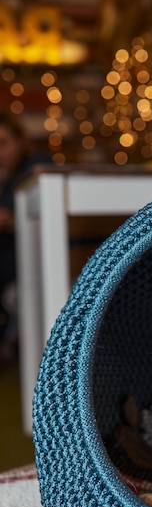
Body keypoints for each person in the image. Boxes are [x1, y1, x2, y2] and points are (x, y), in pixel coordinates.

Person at [0, 112, 50, 363]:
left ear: (21, 141)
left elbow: (4, 217)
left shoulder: (35, 166)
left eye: (3, 143)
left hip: (37, 267)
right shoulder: (10, 179)